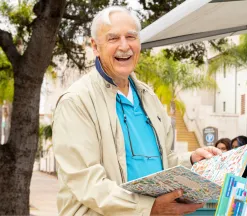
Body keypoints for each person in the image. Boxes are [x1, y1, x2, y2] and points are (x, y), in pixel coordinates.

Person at [52, 6, 222, 216]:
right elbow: (87, 183)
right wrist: (149, 209)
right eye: (113, 39)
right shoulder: (77, 102)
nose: (125, 46)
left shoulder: (148, 97)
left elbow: (164, 163)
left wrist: (191, 160)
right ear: (95, 46)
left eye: (131, 36)